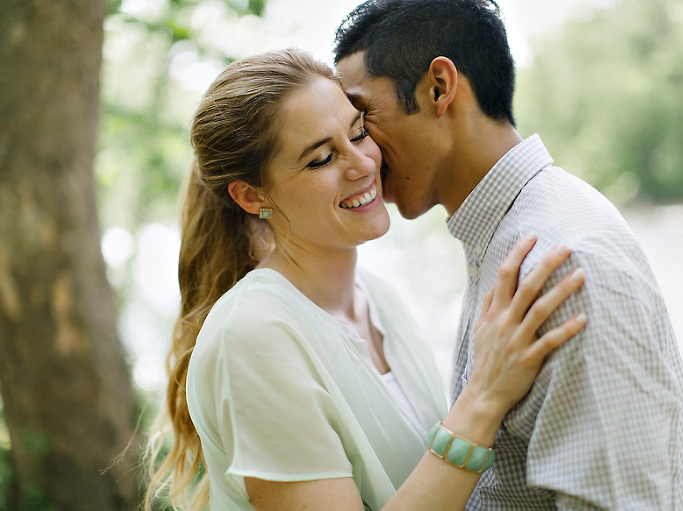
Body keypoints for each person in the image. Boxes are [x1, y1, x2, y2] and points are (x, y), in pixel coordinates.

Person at [144, 48, 588, 511]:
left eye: (358, 133)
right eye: (321, 159)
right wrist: (484, 398)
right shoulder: (253, 336)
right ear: (253, 196)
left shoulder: (380, 300)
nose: (362, 164)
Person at [333, 0, 683, 509]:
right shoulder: (509, 236)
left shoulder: (563, 264)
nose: (363, 152)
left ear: (439, 88)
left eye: (362, 117)